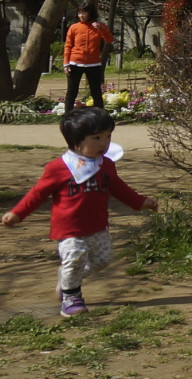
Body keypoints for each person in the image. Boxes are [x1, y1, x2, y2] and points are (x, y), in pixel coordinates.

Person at [2, 105, 158, 316]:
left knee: (101, 261)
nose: (104, 143)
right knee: (74, 258)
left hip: (98, 225)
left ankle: (67, 278)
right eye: (96, 138)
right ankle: (71, 297)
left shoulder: (107, 165)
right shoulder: (58, 168)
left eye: (108, 136)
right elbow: (37, 193)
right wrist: (18, 213)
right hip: (69, 228)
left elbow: (120, 189)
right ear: (76, 140)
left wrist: (141, 202)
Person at [62, 4, 114, 114]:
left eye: (84, 13)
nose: (81, 15)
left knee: (96, 91)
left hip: (93, 64)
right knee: (72, 91)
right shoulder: (74, 27)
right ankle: (67, 116)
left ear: (90, 13)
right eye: (79, 13)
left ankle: (100, 116)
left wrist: (102, 28)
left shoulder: (99, 26)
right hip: (75, 63)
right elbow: (68, 46)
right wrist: (66, 63)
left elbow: (109, 39)